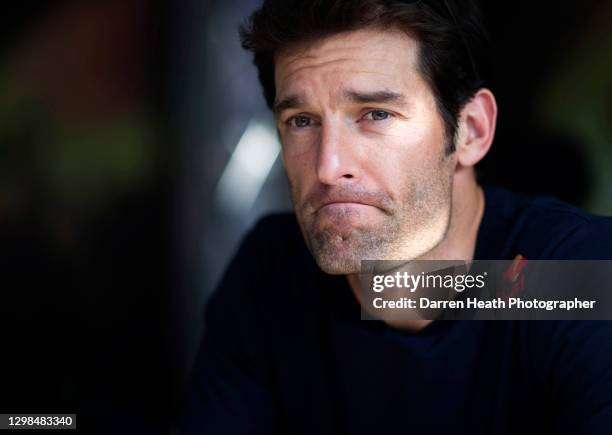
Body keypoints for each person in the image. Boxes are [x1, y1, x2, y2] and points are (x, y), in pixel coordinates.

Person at [180, 1, 612, 434]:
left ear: (471, 131)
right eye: (302, 121)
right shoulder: (272, 273)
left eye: (376, 114)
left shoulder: (576, 276)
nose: (328, 167)